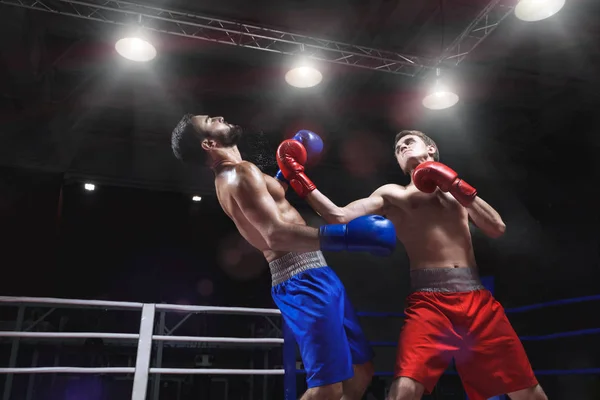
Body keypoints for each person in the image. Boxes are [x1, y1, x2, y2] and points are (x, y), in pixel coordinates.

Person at [277, 130, 547, 400]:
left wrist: (456, 185)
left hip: (478, 302)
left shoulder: (457, 193)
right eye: (397, 148)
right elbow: (338, 215)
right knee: (405, 389)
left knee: (527, 391)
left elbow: (497, 227)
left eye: (409, 142)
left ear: (431, 150)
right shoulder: (394, 195)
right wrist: (297, 177)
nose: (402, 147)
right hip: (429, 305)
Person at [171, 114, 397, 400]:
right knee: (327, 387)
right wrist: (350, 237)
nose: (218, 116)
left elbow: (273, 203)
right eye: (209, 121)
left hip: (317, 275)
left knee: (361, 370)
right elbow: (275, 235)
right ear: (209, 142)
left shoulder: (236, 173)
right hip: (302, 280)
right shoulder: (239, 173)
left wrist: (287, 168)